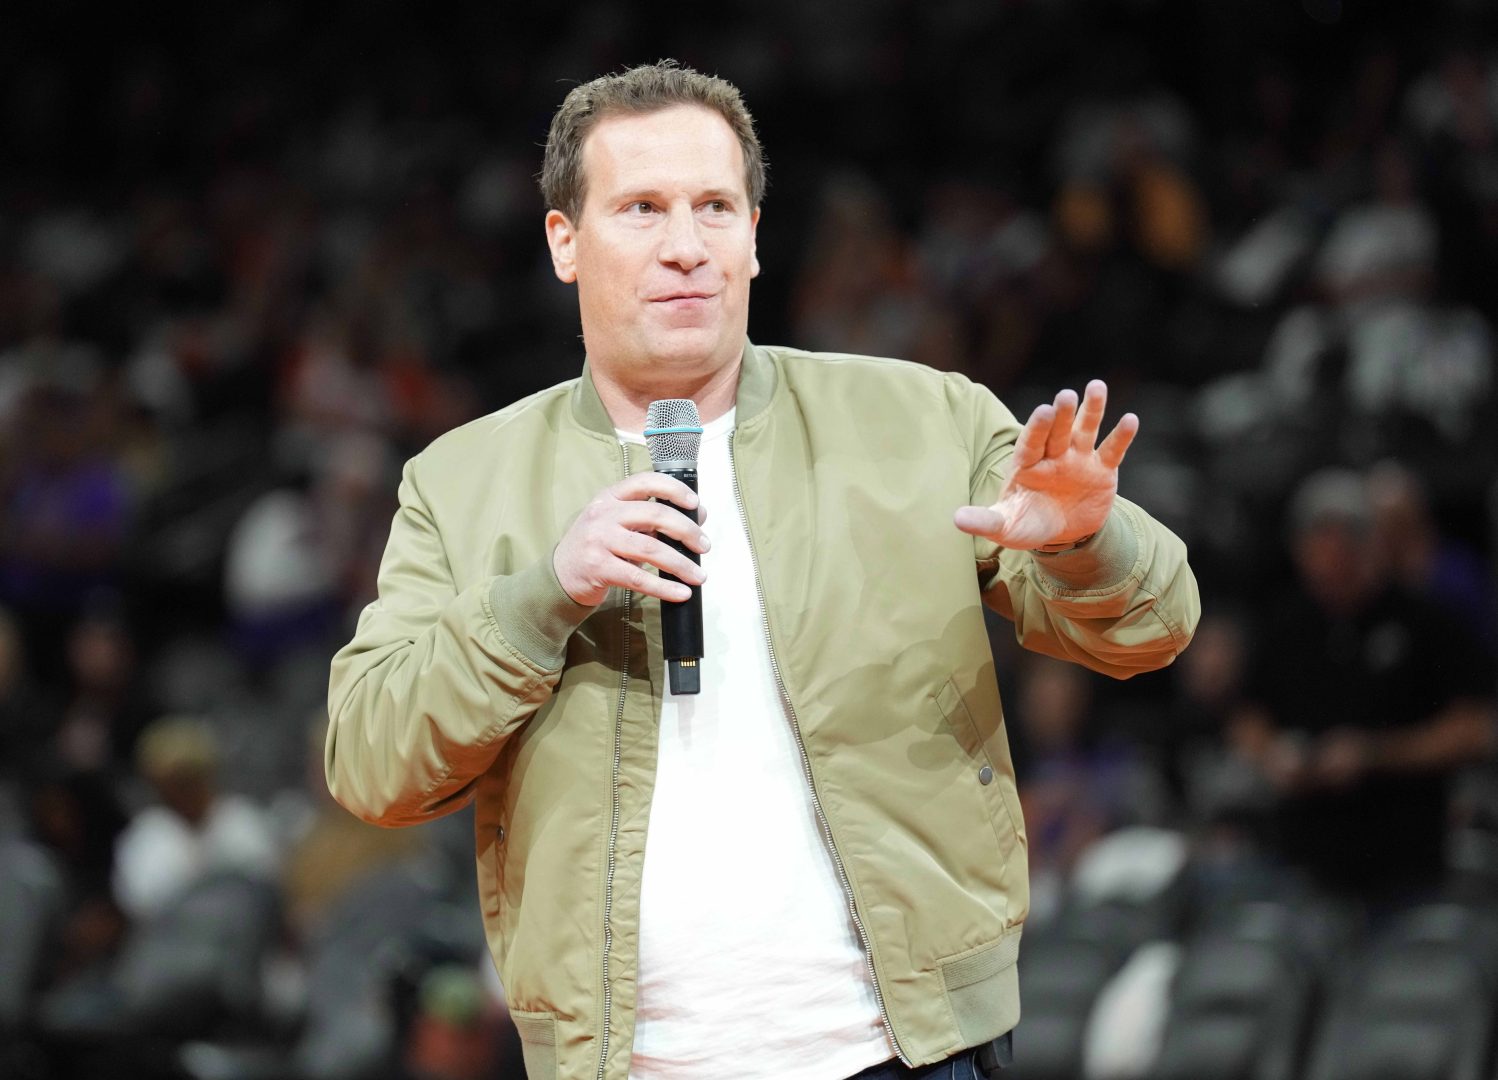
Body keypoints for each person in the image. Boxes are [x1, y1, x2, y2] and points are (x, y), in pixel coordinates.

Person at [325, 61, 1199, 1080]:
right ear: (565, 241)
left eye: (715, 208)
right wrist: (539, 597)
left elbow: (1153, 629)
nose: (686, 247)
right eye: (642, 209)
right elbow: (370, 763)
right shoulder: (461, 480)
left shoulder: (922, 419)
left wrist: (1084, 543)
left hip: (911, 1050)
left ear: (753, 235)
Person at [1228, 467, 1495, 903]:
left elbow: (1473, 730)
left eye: (1340, 560)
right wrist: (1274, 755)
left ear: (1367, 548)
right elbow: (1248, 716)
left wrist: (1374, 754)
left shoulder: (1426, 621)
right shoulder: (1287, 625)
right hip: (1305, 859)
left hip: (1407, 860)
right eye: (1315, 557)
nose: (1327, 574)